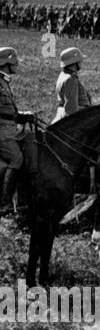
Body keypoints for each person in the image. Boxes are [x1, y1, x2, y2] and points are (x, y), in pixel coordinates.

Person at [0, 47, 36, 222]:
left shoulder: (4, 81)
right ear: (7, 63)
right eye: (14, 61)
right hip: (2, 131)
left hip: (8, 128)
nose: (17, 64)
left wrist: (22, 114)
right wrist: (19, 116)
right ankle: (4, 204)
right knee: (17, 159)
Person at [53, 47, 91, 122]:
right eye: (79, 61)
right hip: (80, 118)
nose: (81, 63)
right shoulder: (70, 79)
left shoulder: (63, 74)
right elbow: (71, 110)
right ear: (74, 63)